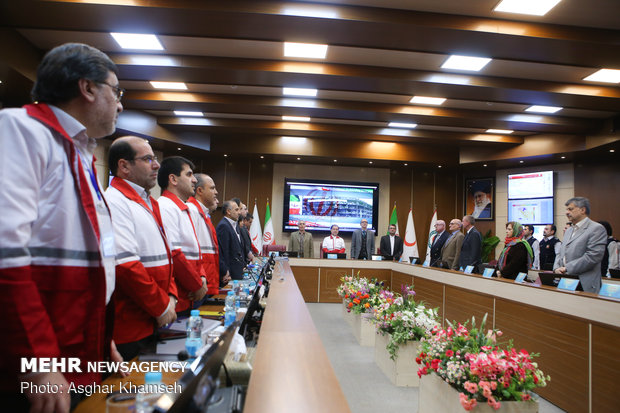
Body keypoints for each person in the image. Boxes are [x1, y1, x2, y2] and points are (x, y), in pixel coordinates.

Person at [0, 43, 124, 412]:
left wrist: (101, 342)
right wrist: (39, 362)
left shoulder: (78, 150)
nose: (120, 104)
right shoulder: (20, 129)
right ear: (87, 88)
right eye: (116, 92)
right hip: (33, 357)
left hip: (76, 346)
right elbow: (5, 256)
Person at [105, 136, 177, 360]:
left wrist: (171, 297)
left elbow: (167, 257)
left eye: (154, 159)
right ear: (124, 166)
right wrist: (162, 307)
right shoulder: (115, 201)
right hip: (130, 328)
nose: (156, 165)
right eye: (148, 159)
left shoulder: (148, 201)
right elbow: (125, 266)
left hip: (154, 320)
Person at [157, 157, 207, 314]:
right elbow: (175, 254)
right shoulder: (165, 206)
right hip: (180, 296)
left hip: (190, 294)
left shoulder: (183, 207)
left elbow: (195, 251)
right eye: (189, 174)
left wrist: (202, 278)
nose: (194, 180)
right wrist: (198, 284)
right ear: (173, 179)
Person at [554, 197, 607, 293]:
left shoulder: (596, 228)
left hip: (584, 284)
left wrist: (567, 268)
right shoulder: (569, 230)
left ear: (582, 210)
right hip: (565, 282)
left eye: (570, 209)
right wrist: (556, 268)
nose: (567, 212)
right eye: (566, 209)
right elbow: (561, 253)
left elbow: (593, 256)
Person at [187, 173, 221, 295]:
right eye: (212, 188)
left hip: (207, 283)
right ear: (200, 190)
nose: (216, 192)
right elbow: (188, 252)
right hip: (199, 285)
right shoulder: (191, 211)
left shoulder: (203, 213)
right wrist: (198, 280)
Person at [216, 200, 245, 281]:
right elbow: (223, 252)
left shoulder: (234, 225)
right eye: (236, 210)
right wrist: (225, 271)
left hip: (237, 271)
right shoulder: (223, 226)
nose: (239, 212)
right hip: (230, 274)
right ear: (228, 211)